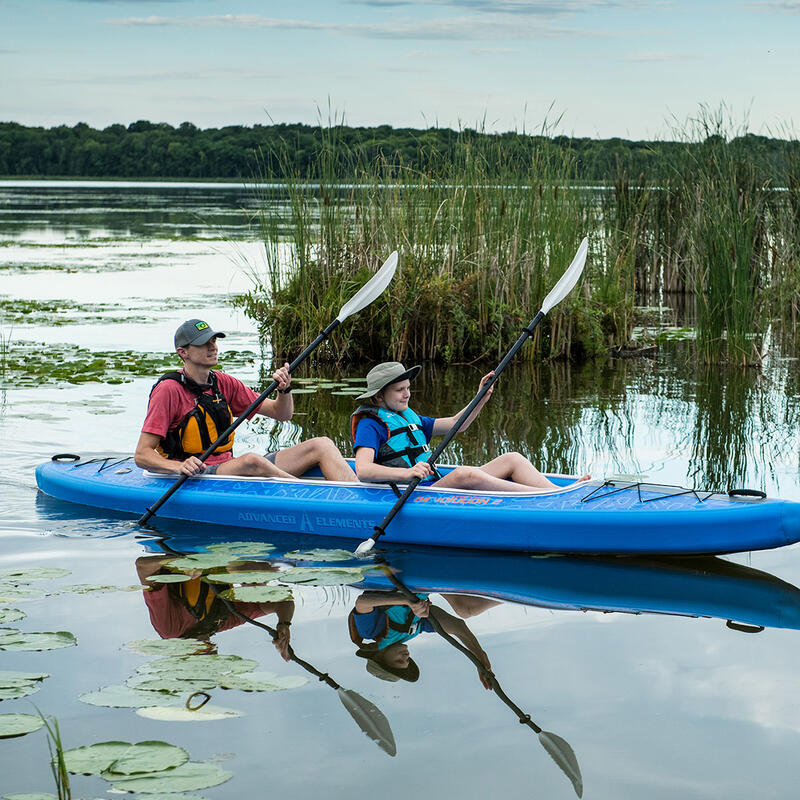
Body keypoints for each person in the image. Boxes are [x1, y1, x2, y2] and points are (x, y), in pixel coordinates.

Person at [134, 318, 355, 481]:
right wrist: (178, 466)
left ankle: (359, 497)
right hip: (199, 475)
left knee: (322, 444)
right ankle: (311, 495)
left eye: (213, 340)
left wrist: (284, 390)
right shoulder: (168, 390)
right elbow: (142, 455)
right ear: (183, 352)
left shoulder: (223, 383)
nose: (213, 346)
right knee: (252, 460)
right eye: (203, 343)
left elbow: (282, 413)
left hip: (228, 467)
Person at [350, 361, 590, 491]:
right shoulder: (371, 425)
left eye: (408, 388)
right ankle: (543, 497)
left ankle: (555, 493)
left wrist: (480, 397)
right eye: (399, 390)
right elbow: (363, 470)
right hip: (411, 492)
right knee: (465, 473)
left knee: (512, 458)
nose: (407, 395)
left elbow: (456, 424)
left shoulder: (409, 417)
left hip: (431, 484)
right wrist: (408, 472)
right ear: (379, 397)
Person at [349, 589, 493, 687]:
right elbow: (458, 627)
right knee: (467, 610)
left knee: (465, 609)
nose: (406, 657)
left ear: (379, 657)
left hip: (398, 577)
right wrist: (480, 659)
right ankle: (515, 594)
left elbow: (362, 602)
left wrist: (407, 601)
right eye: (406, 661)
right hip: (423, 584)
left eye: (399, 660)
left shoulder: (371, 632)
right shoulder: (413, 630)